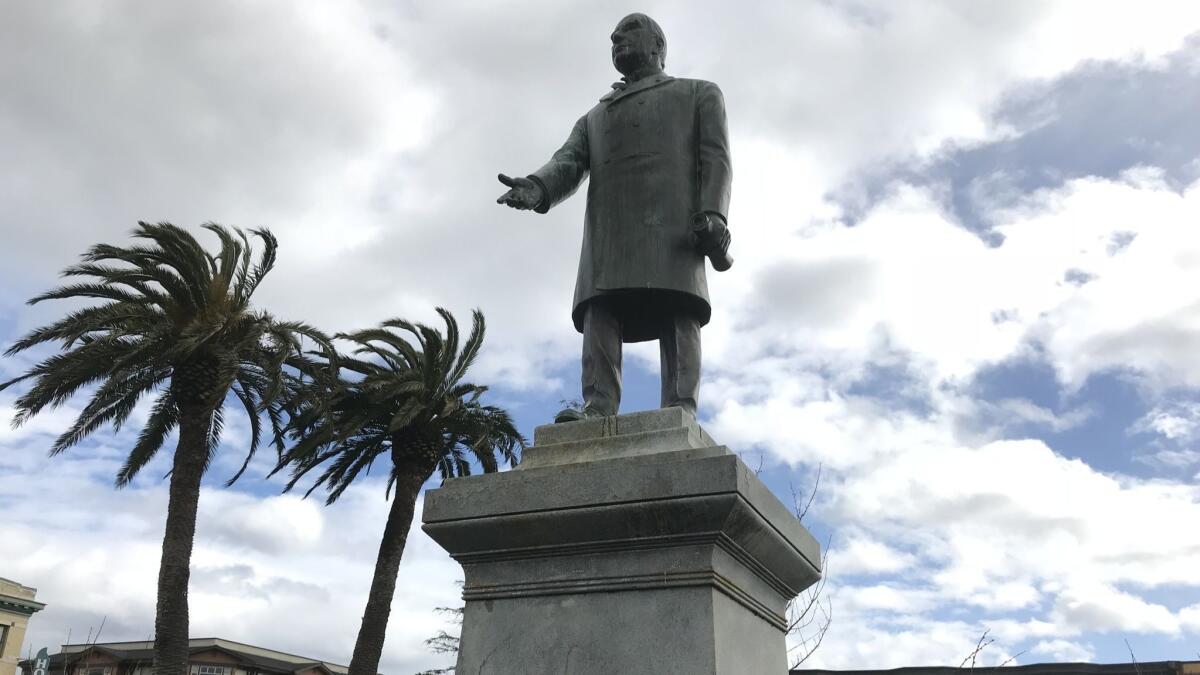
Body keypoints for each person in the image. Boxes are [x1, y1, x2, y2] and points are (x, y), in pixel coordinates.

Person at [497, 12, 732, 422]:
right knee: (601, 309)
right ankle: (598, 406)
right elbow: (568, 161)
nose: (616, 37)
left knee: (679, 308)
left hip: (675, 227)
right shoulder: (595, 116)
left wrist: (713, 214)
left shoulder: (698, 94)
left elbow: (716, 159)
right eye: (614, 36)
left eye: (629, 31)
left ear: (659, 46)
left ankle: (679, 408)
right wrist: (537, 188)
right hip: (609, 233)